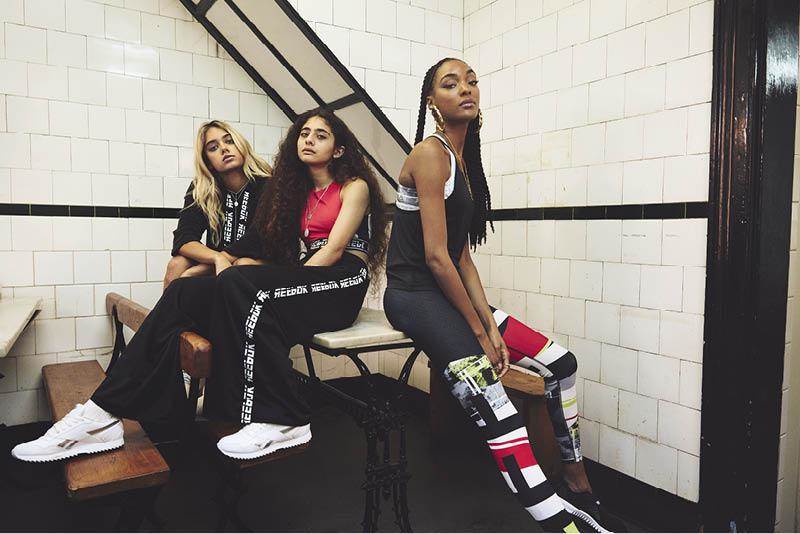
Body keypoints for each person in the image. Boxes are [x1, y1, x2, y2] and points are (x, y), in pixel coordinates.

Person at [12, 108, 387, 461]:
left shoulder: (353, 186)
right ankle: (102, 414)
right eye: (304, 133)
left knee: (239, 279)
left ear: (338, 149)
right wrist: (218, 270)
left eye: (320, 135)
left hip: (342, 279)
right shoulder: (293, 190)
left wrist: (274, 277)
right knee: (182, 293)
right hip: (304, 278)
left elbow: (332, 250)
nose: (309, 140)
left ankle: (286, 417)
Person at [383, 57, 619, 532]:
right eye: (451, 84)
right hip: (412, 295)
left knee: (561, 364)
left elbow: (462, 257)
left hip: (445, 294)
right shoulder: (430, 155)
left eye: (471, 81)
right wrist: (478, 330)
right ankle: (566, 526)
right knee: (497, 405)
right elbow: (435, 258)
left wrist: (490, 323)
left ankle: (576, 480)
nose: (465, 89)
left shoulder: (463, 161)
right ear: (432, 102)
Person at [164, 120, 271, 288]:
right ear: (208, 162)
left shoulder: (268, 184)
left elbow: (257, 238)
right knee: (177, 264)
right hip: (218, 265)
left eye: (229, 141)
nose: (224, 148)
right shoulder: (202, 189)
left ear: (241, 145)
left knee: (243, 265)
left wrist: (201, 270)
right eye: (213, 148)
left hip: (262, 261)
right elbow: (184, 238)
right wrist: (216, 258)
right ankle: (168, 307)